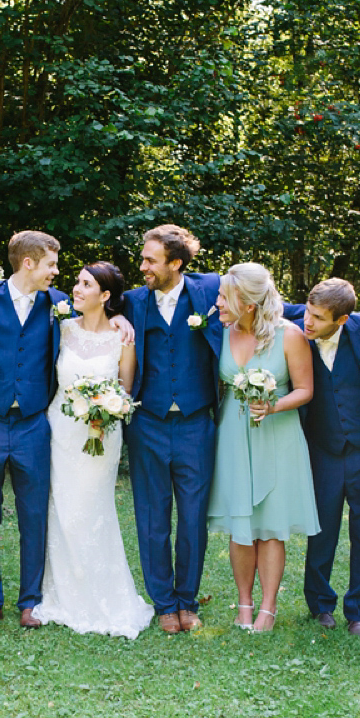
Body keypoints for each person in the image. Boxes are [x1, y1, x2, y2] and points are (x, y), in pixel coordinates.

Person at [32, 262, 154, 639]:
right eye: (77, 282)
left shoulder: (123, 337)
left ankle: (101, 594)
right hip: (61, 430)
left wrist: (107, 414)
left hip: (102, 434)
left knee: (91, 508)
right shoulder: (61, 327)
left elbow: (125, 390)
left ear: (105, 295)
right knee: (62, 510)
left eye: (86, 284)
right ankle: (63, 593)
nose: (76, 288)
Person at [0, 230, 69, 629]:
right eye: (51, 264)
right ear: (28, 263)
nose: (56, 272)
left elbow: (95, 324)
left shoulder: (59, 304)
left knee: (33, 514)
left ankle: (31, 601)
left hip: (33, 422)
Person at [121, 224, 222, 634]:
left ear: (176, 264)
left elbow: (265, 301)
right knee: (152, 517)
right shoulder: (131, 302)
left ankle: (188, 600)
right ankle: (164, 603)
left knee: (194, 518)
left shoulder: (210, 290)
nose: (142, 266)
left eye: (150, 260)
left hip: (197, 423)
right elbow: (87, 316)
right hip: (148, 423)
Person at [208, 263, 318, 632]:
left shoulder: (289, 336)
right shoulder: (219, 332)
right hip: (235, 435)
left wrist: (273, 405)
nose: (218, 302)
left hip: (277, 434)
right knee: (242, 524)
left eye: (225, 296)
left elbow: (305, 390)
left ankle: (268, 608)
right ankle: (243, 604)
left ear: (248, 303)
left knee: (271, 526)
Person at [283, 279, 360, 636]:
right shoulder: (296, 321)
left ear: (343, 319)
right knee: (322, 530)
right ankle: (320, 604)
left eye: (318, 317)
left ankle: (359, 611)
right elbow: (253, 303)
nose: (308, 323)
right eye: (307, 312)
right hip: (322, 447)